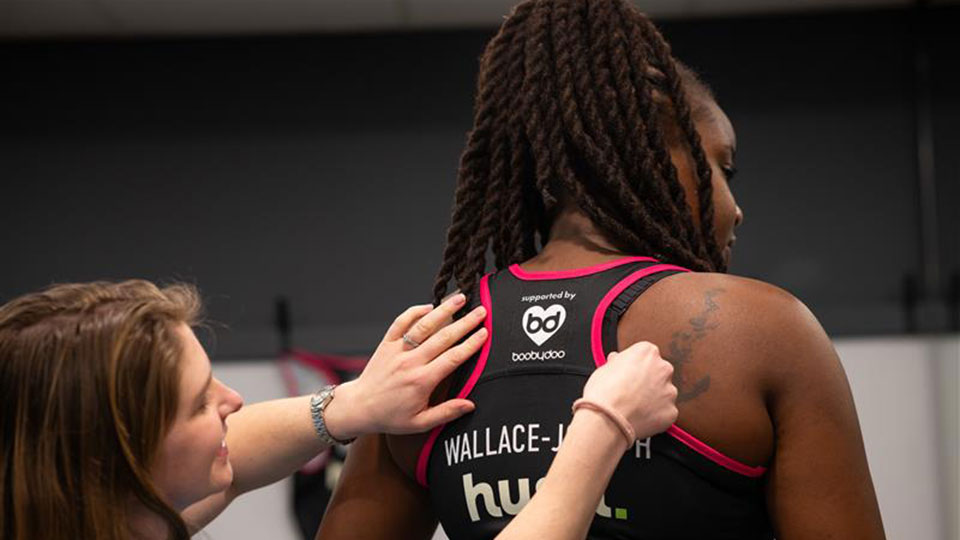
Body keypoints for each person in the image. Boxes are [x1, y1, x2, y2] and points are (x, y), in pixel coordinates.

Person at [317, 1, 886, 539]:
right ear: (656, 158)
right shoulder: (762, 329)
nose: (735, 209)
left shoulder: (436, 352)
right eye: (724, 168)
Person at [0, 279, 677, 540]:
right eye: (201, 405)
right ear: (111, 459)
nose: (234, 403)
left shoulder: (84, 510)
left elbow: (231, 461)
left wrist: (349, 408)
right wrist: (603, 427)